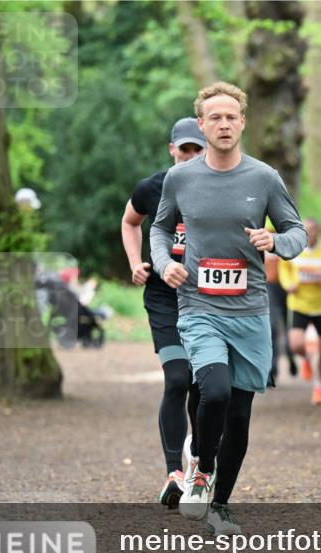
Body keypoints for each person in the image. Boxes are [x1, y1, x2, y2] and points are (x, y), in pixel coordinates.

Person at [150, 82, 307, 535]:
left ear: (242, 122)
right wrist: (164, 264)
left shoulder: (263, 177)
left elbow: (298, 232)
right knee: (213, 390)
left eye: (231, 117)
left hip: (251, 310)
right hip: (198, 305)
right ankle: (200, 465)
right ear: (201, 124)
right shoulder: (180, 178)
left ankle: (220, 505)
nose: (223, 124)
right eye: (214, 117)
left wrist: (275, 241)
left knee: (239, 412)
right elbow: (159, 230)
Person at [121, 117, 205, 508]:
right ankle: (174, 472)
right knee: (177, 377)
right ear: (172, 149)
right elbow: (129, 221)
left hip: (208, 298)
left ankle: (199, 464)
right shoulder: (152, 187)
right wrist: (136, 261)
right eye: (183, 149)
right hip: (163, 297)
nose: (189, 157)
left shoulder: (222, 187)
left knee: (202, 386)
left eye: (196, 150)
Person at [279, 218, 321, 405]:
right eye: (305, 230)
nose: (309, 234)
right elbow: (283, 268)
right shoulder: (295, 249)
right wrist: (288, 284)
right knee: (295, 345)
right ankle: (307, 359)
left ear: (319, 232)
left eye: (312, 230)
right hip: (299, 304)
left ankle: (319, 387)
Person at [264, 248, 297, 383]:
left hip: (288, 288)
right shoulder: (258, 235)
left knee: (288, 326)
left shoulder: (287, 236)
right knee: (273, 328)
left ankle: (290, 356)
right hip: (270, 287)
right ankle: (273, 368)